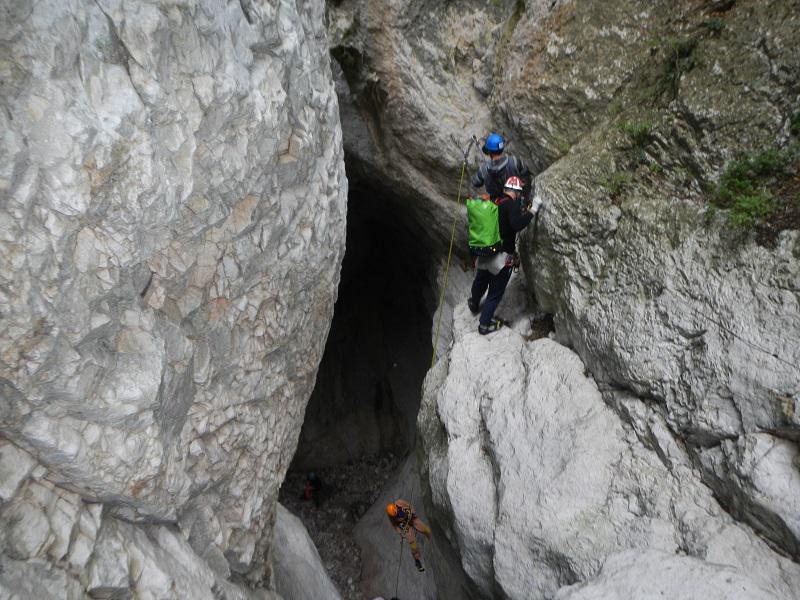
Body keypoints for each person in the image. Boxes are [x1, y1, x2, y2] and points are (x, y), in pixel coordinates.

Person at [467, 176, 540, 334]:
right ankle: (484, 325)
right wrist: (533, 210)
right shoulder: (511, 204)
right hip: (501, 258)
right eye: (519, 193)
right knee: (495, 292)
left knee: (481, 279)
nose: (520, 196)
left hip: (485, 251)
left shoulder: (495, 201)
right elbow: (516, 224)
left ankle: (474, 303)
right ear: (516, 192)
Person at [472, 132, 532, 204]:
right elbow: (526, 174)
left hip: (497, 204)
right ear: (502, 148)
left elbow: (476, 183)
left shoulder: (483, 169)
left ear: (489, 151)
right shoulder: (514, 161)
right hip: (516, 202)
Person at [386, 499, 431, 572]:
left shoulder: (399, 502)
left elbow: (409, 505)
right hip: (405, 525)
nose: (396, 513)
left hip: (411, 518)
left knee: (425, 529)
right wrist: (401, 532)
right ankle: (417, 560)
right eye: (395, 514)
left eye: (396, 511)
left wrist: (412, 512)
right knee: (413, 544)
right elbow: (395, 526)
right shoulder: (392, 517)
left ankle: (431, 539)